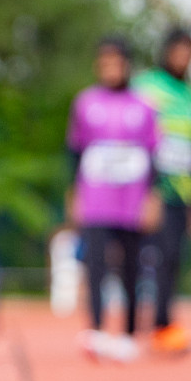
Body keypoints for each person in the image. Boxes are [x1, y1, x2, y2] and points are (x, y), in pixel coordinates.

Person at [65, 37, 161, 362]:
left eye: (116, 62)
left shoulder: (144, 106)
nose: (110, 69)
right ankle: (95, 328)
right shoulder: (85, 102)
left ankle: (131, 332)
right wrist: (73, 192)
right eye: (104, 62)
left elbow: (154, 155)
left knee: (132, 265)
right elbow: (74, 152)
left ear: (127, 65)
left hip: (132, 200)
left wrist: (152, 197)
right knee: (94, 263)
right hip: (96, 198)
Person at [132, 27, 191, 355]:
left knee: (173, 258)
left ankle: (163, 323)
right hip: (149, 188)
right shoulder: (146, 87)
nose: (183, 57)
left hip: (180, 191)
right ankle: (133, 324)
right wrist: (144, 188)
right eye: (178, 50)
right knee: (139, 256)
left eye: (189, 52)